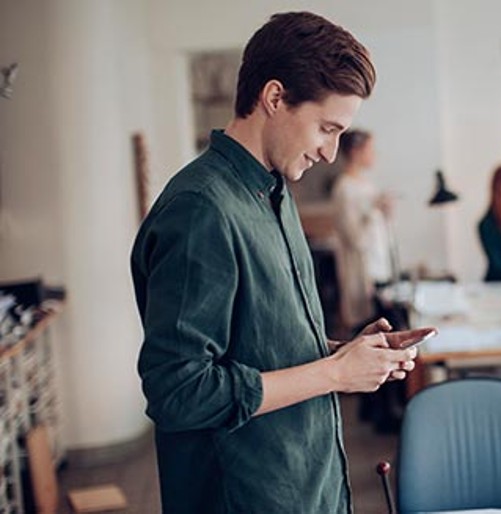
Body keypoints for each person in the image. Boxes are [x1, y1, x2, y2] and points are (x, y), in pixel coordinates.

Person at [130, 12, 417, 513]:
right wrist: (334, 375)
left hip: (310, 485)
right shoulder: (201, 210)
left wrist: (346, 354)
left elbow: (260, 342)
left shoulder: (276, 193)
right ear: (275, 97)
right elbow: (179, 390)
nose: (330, 153)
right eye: (326, 129)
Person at [331, 129, 394, 330]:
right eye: (370, 149)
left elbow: (379, 231)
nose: (374, 155)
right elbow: (355, 238)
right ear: (356, 152)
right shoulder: (344, 188)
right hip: (361, 272)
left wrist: (385, 211)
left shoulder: (367, 184)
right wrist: (374, 209)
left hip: (379, 268)